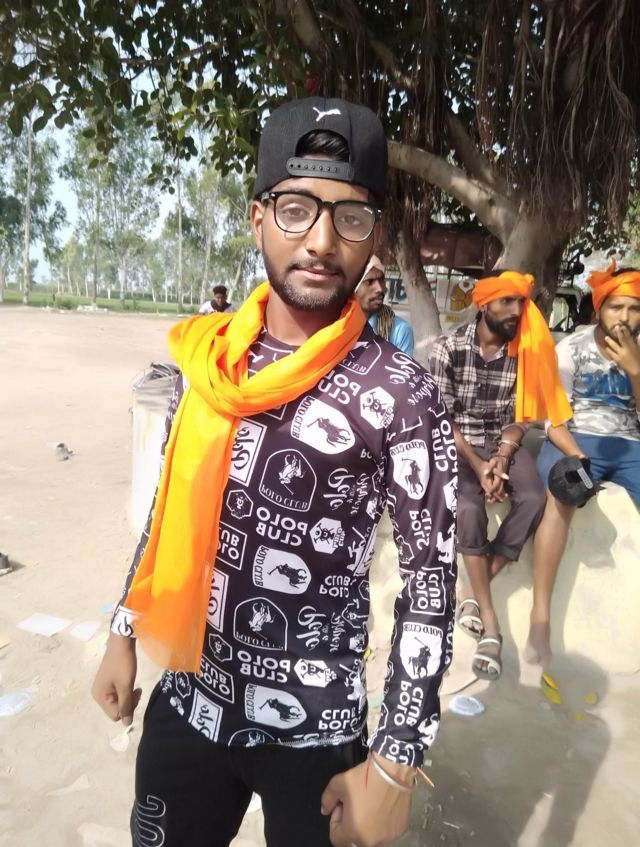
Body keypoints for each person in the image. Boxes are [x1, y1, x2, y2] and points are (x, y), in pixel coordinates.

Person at [92, 96, 457, 847]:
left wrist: (394, 765)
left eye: (350, 217)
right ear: (258, 218)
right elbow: (168, 511)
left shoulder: (401, 392)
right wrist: (123, 629)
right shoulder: (211, 360)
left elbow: (430, 584)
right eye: (296, 210)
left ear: (375, 233)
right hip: (190, 700)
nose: (321, 241)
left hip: (315, 733)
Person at [429, 271, 572, 681]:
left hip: (503, 441)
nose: (516, 310)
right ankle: (491, 626)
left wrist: (503, 457)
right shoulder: (448, 348)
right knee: (468, 505)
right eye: (506, 301)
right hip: (459, 443)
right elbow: (442, 419)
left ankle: (471, 590)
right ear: (484, 304)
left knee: (534, 498)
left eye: (521, 302)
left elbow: (520, 416)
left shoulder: (524, 350)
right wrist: (479, 466)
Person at [527, 264, 640, 665]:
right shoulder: (571, 349)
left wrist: (635, 370)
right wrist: (575, 454)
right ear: (599, 309)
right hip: (573, 438)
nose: (624, 318)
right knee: (562, 494)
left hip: (629, 442)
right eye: (616, 307)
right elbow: (554, 420)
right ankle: (540, 617)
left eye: (634, 308)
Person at [355, 255, 414, 355]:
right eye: (369, 282)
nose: (380, 288)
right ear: (353, 287)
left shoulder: (399, 330)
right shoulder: (336, 326)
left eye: (381, 279)